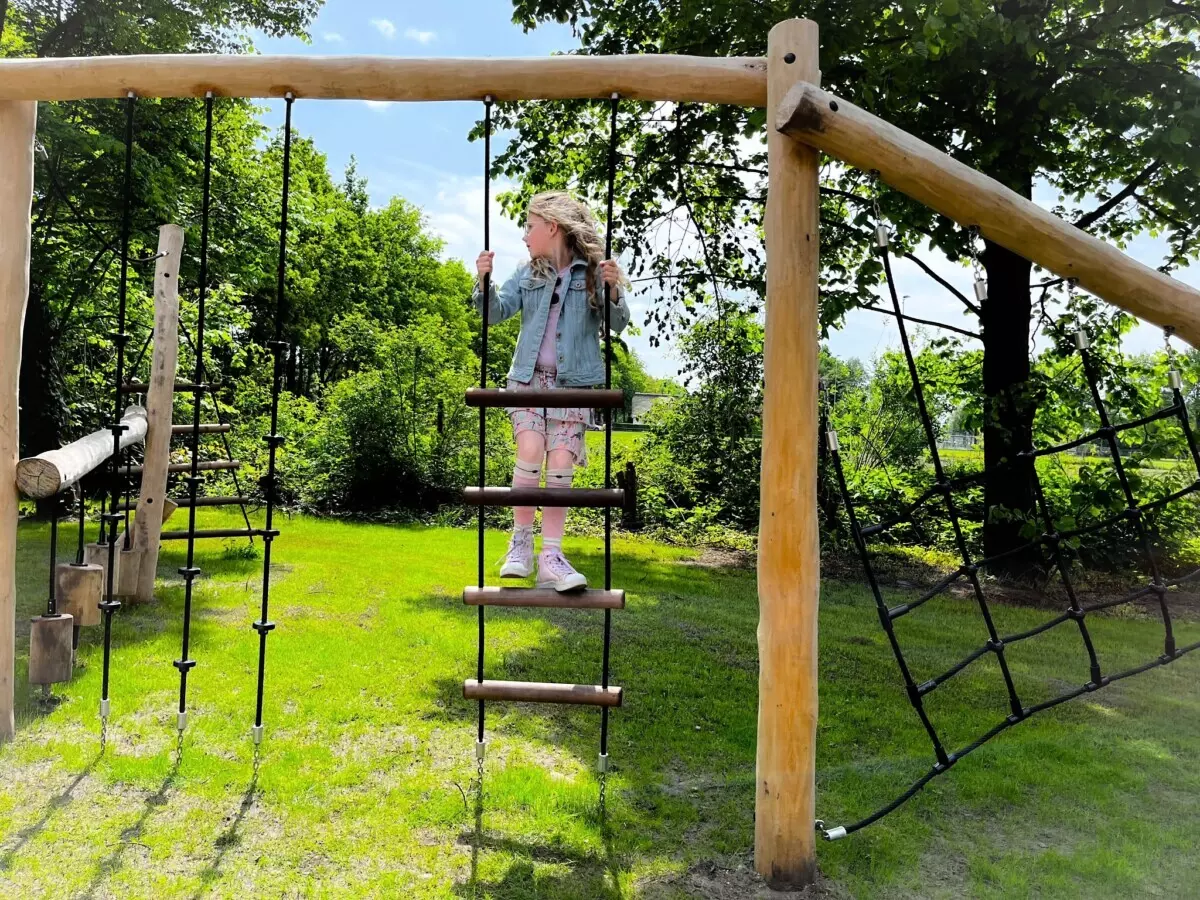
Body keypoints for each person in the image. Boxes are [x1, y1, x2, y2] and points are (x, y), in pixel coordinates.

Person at [474, 191, 629, 591]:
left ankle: (551, 557)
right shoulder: (527, 273)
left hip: (573, 386)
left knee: (560, 460)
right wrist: (484, 282)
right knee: (530, 448)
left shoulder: (592, 273)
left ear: (552, 227)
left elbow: (617, 323)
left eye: (530, 227)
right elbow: (493, 313)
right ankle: (521, 545)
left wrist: (612, 290)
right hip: (527, 381)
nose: (525, 236)